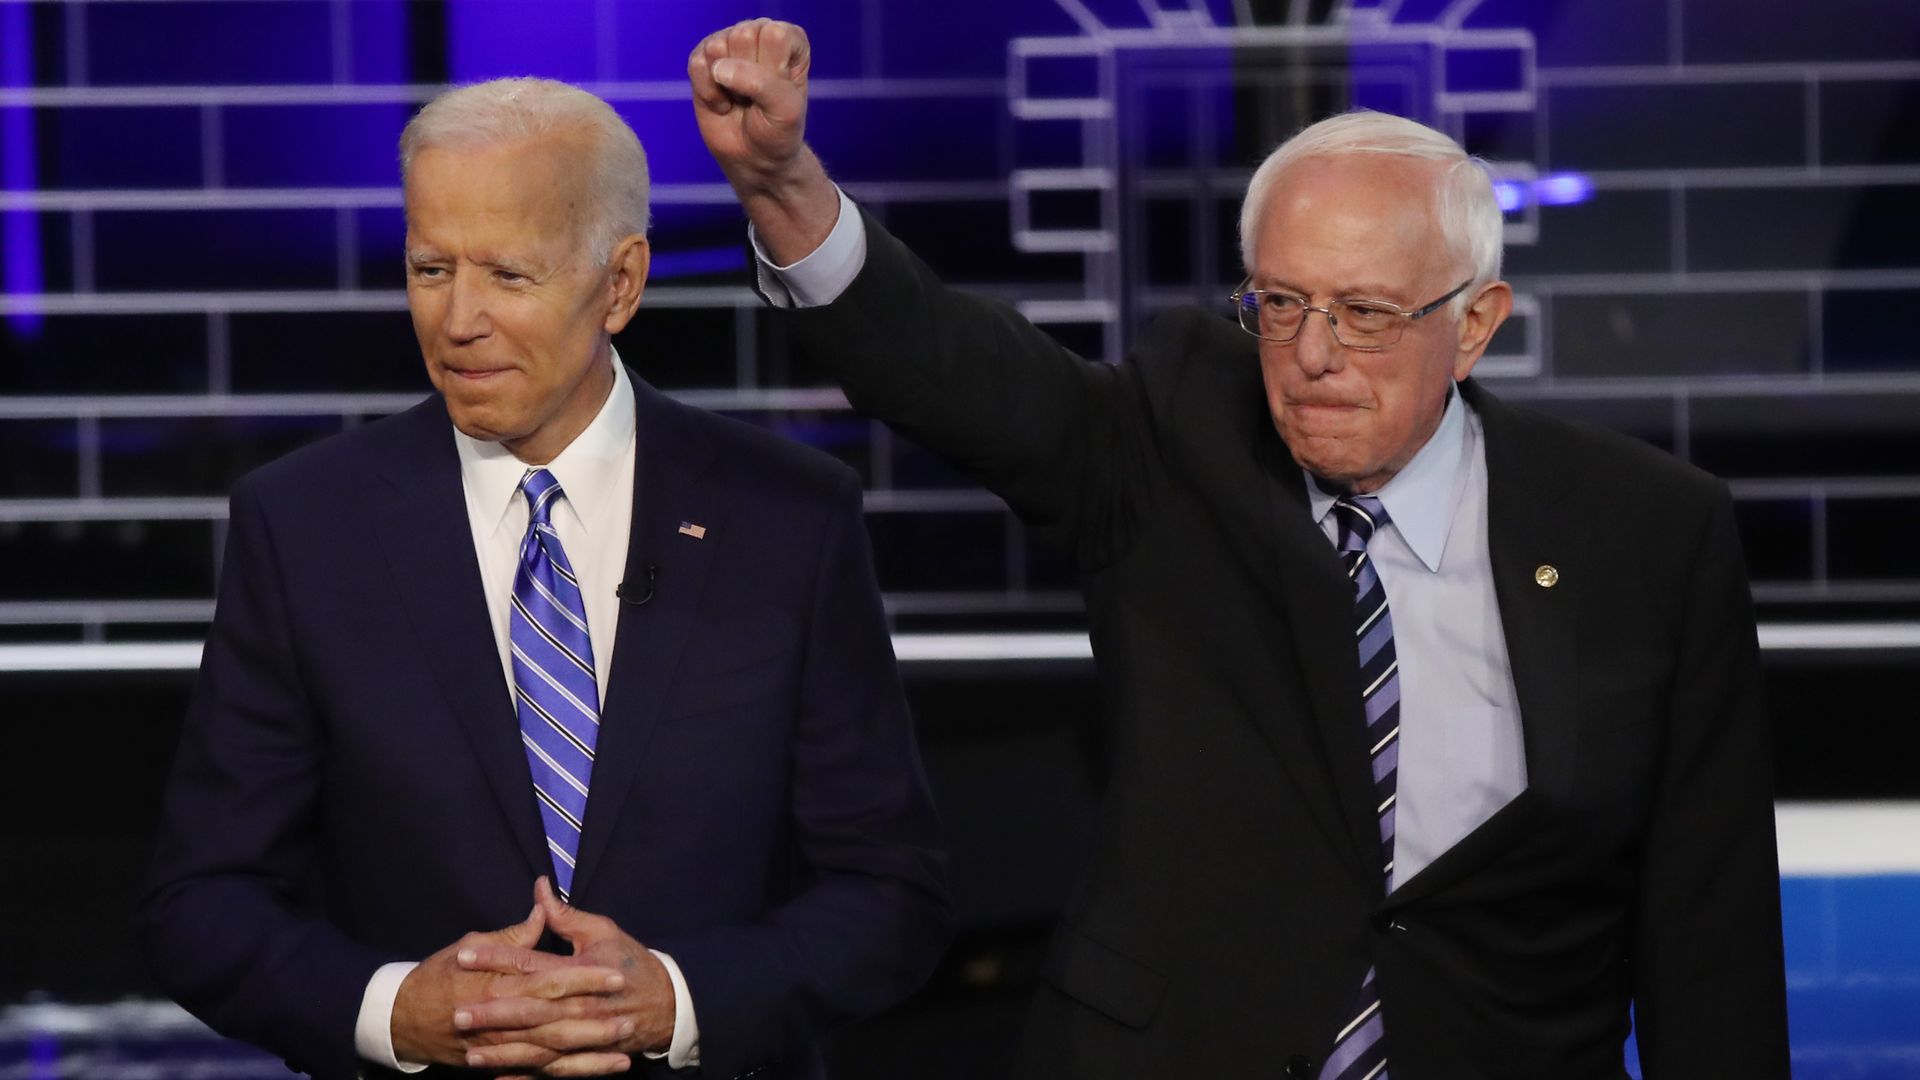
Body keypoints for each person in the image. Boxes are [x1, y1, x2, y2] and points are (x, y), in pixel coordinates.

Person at [687, 18, 1788, 1079]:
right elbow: (955, 371)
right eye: (1280, 302)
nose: (1312, 354)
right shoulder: (1178, 436)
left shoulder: (1643, 531)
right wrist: (784, 186)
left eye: (1364, 313)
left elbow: (1710, 930)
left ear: (1478, 323)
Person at [136, 77, 950, 1080]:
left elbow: (891, 895)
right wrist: (395, 1012)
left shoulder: (787, 518)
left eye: (508, 275)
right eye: (431, 268)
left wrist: (676, 1001)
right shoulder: (305, 526)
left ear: (620, 283)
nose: (458, 318)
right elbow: (200, 904)